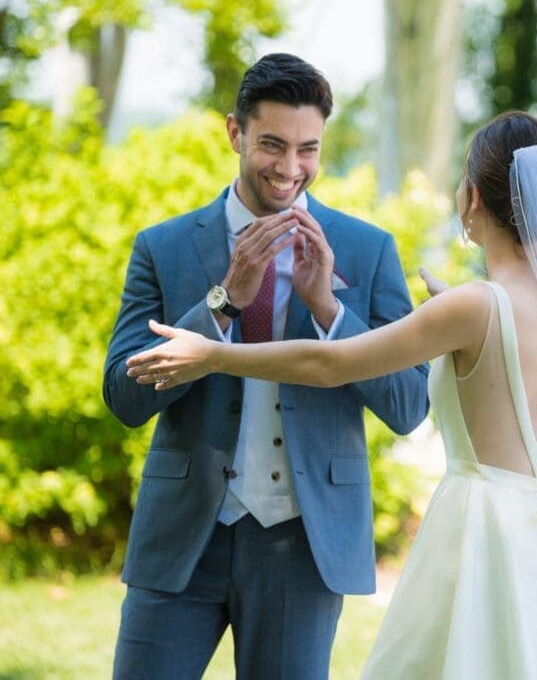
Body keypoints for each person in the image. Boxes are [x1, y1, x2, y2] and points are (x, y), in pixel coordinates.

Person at [126, 111, 537, 678]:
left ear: (476, 199)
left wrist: (213, 354)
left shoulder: (473, 305)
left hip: (478, 536)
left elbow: (328, 362)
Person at [103, 53, 429, 679]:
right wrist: (222, 303)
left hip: (303, 545)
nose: (290, 169)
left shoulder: (367, 248)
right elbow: (124, 396)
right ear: (235, 133)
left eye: (308, 149)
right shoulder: (164, 247)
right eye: (272, 145)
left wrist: (330, 309)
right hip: (183, 538)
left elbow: (409, 406)